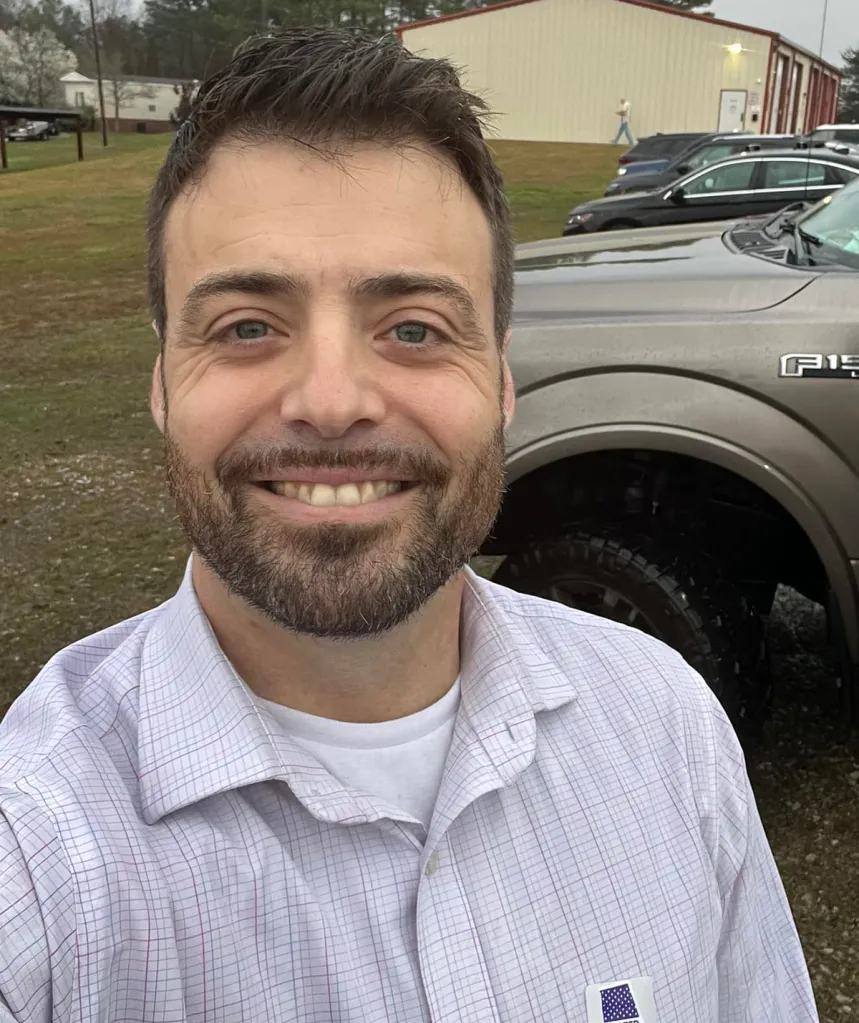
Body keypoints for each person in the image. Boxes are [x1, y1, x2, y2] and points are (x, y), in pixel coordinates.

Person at [0, 29, 817, 1023]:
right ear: (163, 386)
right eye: (248, 326)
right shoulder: (34, 866)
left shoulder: (666, 728)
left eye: (415, 330)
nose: (333, 401)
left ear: (503, 382)